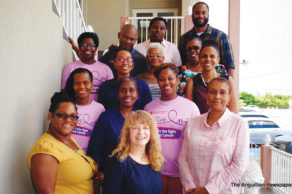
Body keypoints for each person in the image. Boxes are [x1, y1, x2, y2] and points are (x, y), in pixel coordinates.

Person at [179, 77, 249, 194]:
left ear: (229, 97)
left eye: (222, 92)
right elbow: (183, 159)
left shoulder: (239, 124)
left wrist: (207, 190)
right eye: (213, 92)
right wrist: (190, 188)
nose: (217, 96)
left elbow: (239, 165)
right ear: (206, 96)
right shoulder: (193, 123)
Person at [144, 63, 200, 194]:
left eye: (170, 78)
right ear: (158, 82)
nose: (166, 82)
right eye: (162, 79)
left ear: (177, 80)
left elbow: (196, 142)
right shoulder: (149, 108)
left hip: (182, 174)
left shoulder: (191, 107)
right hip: (155, 172)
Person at [28, 92, 97, 194]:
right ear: (50, 116)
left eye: (73, 116)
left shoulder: (69, 140)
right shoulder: (46, 150)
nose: (68, 120)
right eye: (61, 115)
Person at [88, 78, 139, 182]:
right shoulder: (106, 117)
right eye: (123, 90)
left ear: (137, 95)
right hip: (109, 175)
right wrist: (98, 172)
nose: (127, 94)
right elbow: (95, 148)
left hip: (136, 176)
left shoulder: (141, 118)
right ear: (118, 94)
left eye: (131, 90)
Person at [102, 110, 164, 194]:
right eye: (135, 128)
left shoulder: (155, 159)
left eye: (145, 128)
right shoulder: (119, 161)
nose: (141, 132)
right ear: (128, 132)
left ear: (151, 132)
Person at [178, 1, 235, 77]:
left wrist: (230, 87)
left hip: (215, 82)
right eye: (197, 13)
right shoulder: (184, 39)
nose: (200, 16)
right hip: (189, 81)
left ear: (208, 15)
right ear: (192, 15)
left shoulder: (220, 36)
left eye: (204, 13)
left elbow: (229, 65)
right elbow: (182, 63)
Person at [185, 39, 238, 114]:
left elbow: (234, 111)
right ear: (199, 59)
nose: (208, 59)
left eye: (212, 56)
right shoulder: (192, 82)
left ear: (218, 60)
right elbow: (189, 112)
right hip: (200, 124)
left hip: (224, 124)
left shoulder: (228, 80)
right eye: (204, 56)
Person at [62, 32, 114, 101]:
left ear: (96, 49)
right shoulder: (69, 68)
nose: (88, 48)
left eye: (91, 45)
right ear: (80, 47)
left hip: (100, 110)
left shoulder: (106, 69)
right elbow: (64, 93)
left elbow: (110, 92)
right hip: (75, 109)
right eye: (84, 45)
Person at [64, 68, 105, 153]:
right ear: (72, 86)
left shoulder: (99, 109)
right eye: (77, 83)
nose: (82, 87)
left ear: (92, 85)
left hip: (88, 157)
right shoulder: (64, 106)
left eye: (85, 83)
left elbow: (101, 137)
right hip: (65, 154)